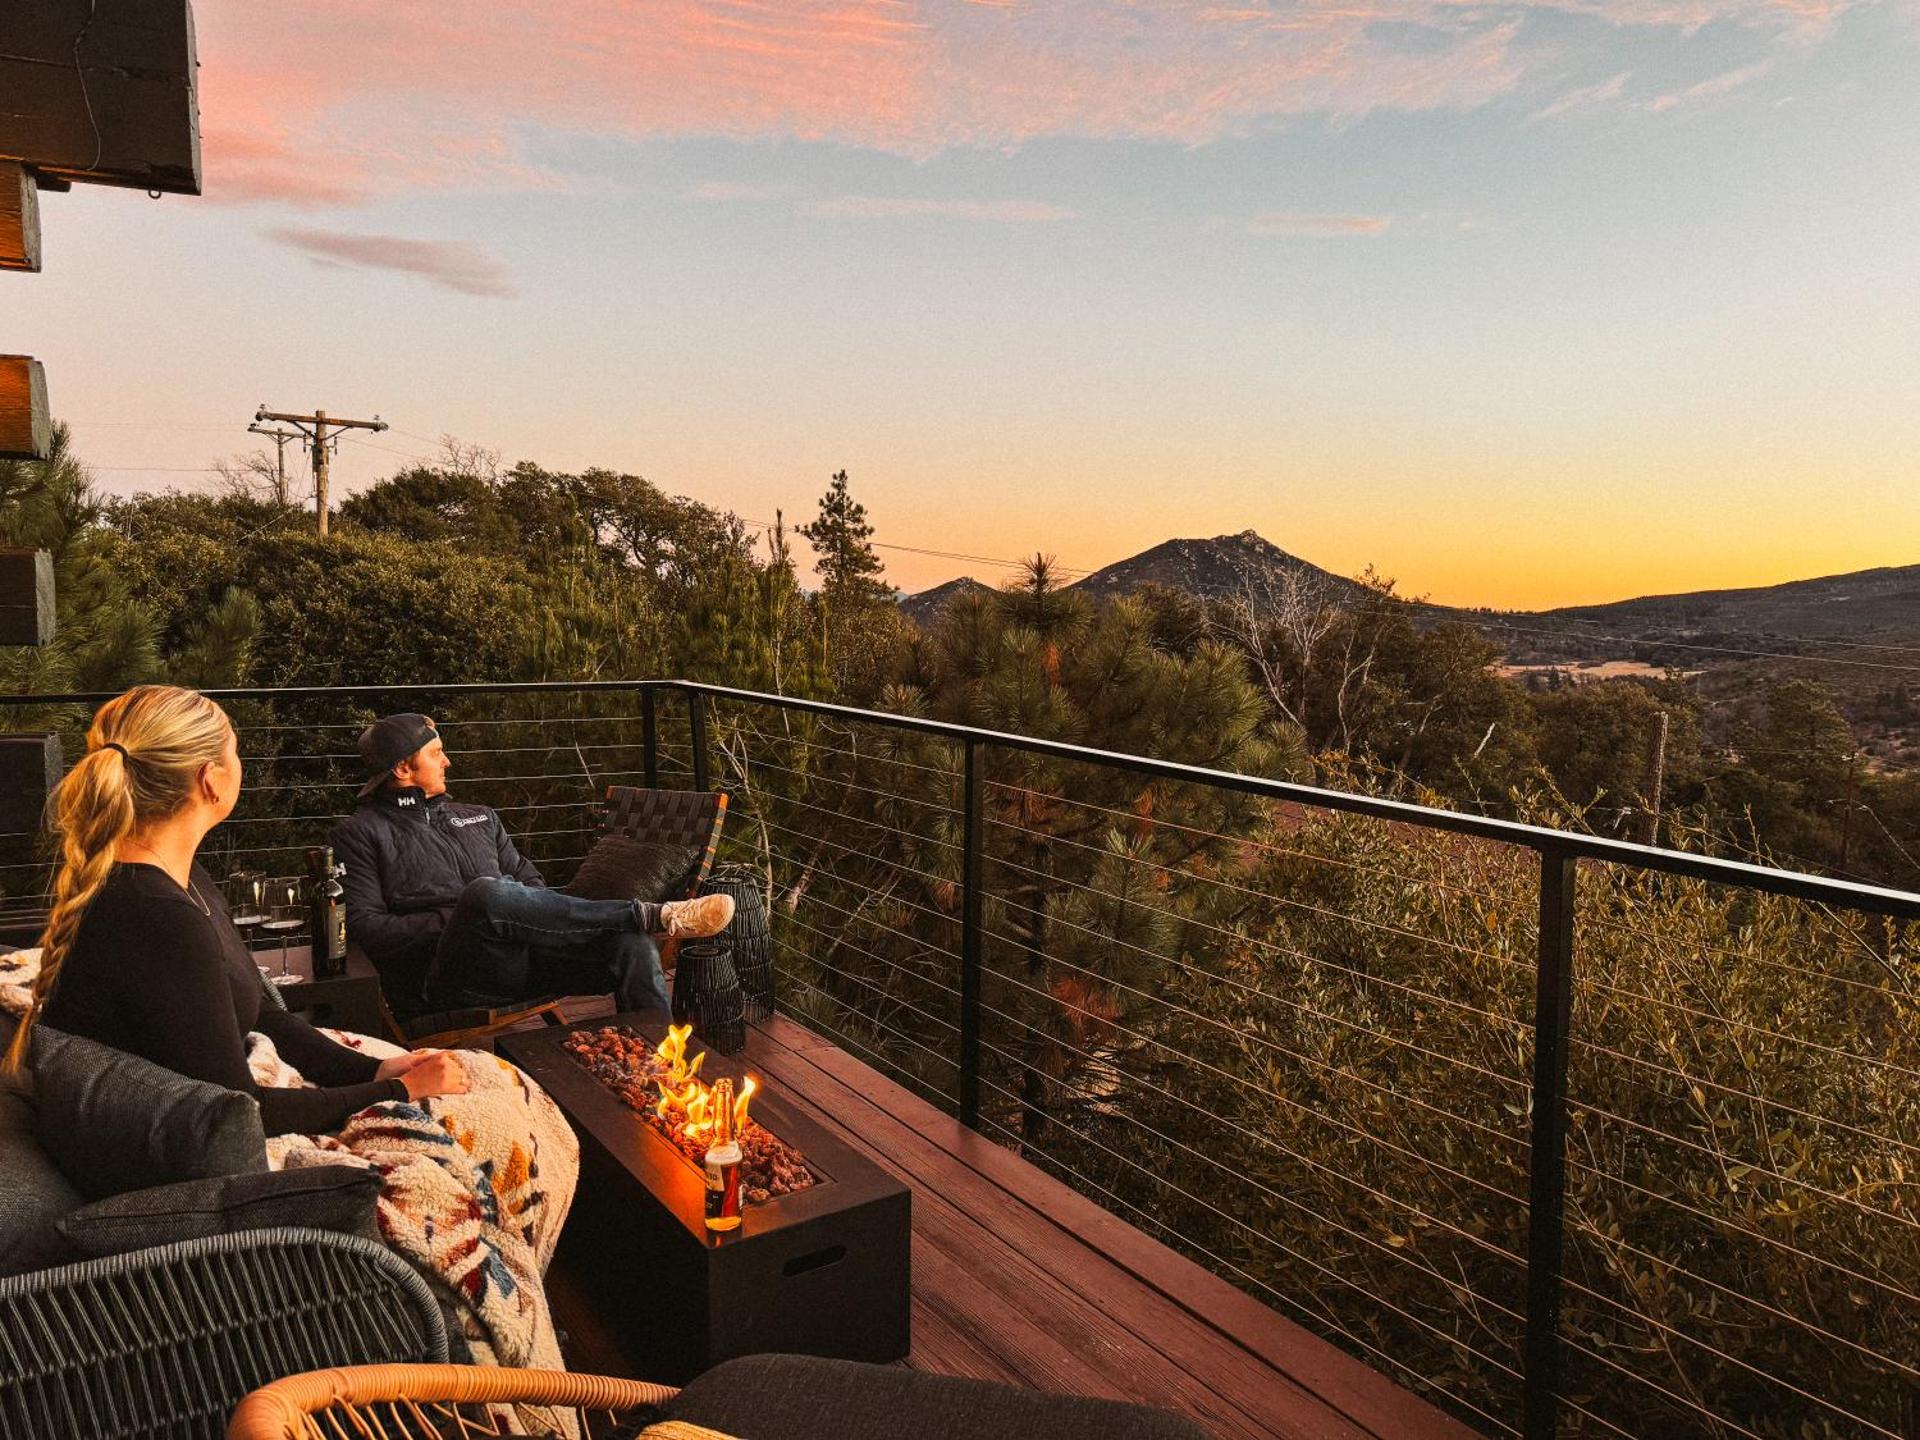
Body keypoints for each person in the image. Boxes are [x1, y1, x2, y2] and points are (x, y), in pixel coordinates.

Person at [1, 686, 468, 1136]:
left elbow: (256, 1013)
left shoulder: (180, 879)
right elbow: (239, 1112)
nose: (240, 765)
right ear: (210, 779)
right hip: (183, 1156)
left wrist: (378, 1069)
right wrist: (398, 1090)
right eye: (235, 752)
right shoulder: (155, 916)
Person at [330, 713, 731, 1019]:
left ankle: (659, 1065)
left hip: (528, 958)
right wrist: (462, 916)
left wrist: (508, 910)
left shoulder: (478, 816)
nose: (448, 762)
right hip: (457, 977)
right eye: (436, 754)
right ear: (403, 769)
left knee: (629, 940)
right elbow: (366, 927)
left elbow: (530, 882)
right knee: (486, 893)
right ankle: (650, 915)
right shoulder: (361, 832)